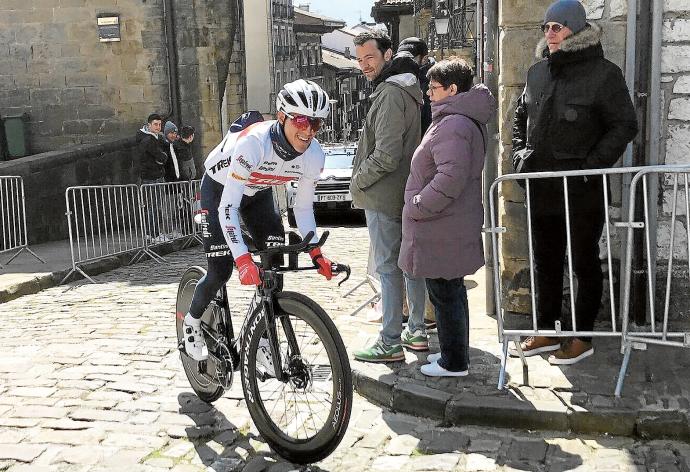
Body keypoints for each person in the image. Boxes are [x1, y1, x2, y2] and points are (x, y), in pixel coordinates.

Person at [509, 0, 638, 365]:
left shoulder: (603, 74)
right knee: (545, 260)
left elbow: (624, 124)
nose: (549, 33)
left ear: (577, 31)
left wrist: (590, 165)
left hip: (581, 187)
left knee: (583, 262)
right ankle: (547, 329)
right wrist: (520, 157)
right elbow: (519, 116)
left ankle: (583, 336)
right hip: (541, 185)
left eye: (557, 27)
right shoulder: (538, 72)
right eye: (546, 27)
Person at [182, 80, 338, 361]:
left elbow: (302, 208)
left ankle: (261, 338)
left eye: (316, 124)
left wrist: (315, 251)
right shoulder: (254, 144)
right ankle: (191, 322)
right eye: (301, 120)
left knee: (273, 267)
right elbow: (227, 206)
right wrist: (242, 259)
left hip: (258, 194)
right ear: (282, 117)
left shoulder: (314, 155)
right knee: (221, 270)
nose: (308, 131)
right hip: (219, 190)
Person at [399, 58, 496, 377]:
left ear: (453, 89)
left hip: (442, 223)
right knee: (449, 292)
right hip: (449, 223)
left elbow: (450, 178)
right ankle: (453, 356)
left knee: (445, 294)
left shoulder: (454, 123)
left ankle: (454, 363)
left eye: (434, 87)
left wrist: (417, 204)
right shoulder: (458, 119)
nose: (428, 92)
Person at [350, 30, 428, 363]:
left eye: (370, 57)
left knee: (389, 268)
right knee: (409, 266)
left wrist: (357, 182)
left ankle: (391, 340)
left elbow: (385, 155)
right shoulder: (408, 88)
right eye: (360, 59)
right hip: (403, 190)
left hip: (384, 194)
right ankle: (417, 332)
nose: (364, 65)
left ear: (387, 54)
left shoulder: (391, 93)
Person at [136, 113, 168, 240]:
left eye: (160, 124)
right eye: (155, 124)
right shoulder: (148, 139)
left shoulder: (154, 137)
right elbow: (160, 157)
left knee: (154, 206)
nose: (158, 127)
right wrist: (162, 157)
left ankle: (152, 233)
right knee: (154, 206)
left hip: (154, 174)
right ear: (149, 125)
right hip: (152, 176)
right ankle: (153, 234)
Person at [398, 37, 433, 134]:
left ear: (424, 59)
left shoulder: (434, 83)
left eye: (410, 59)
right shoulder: (397, 80)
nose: (405, 63)